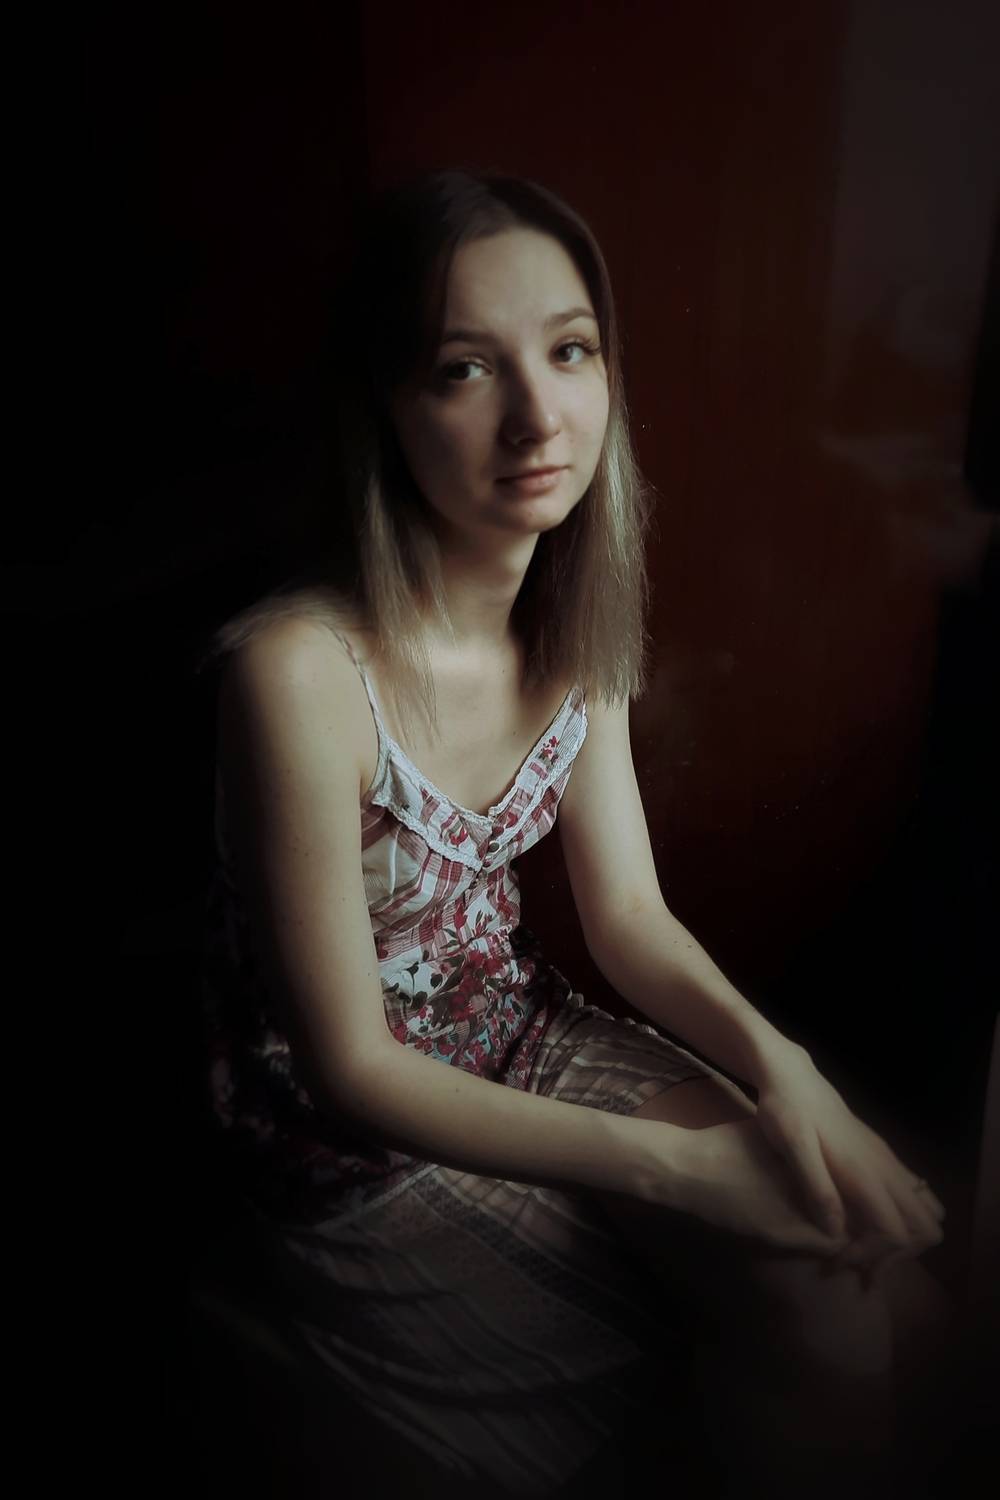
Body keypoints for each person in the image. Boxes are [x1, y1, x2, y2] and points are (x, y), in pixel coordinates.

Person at [196, 168, 956, 1498]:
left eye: (570, 350)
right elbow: (348, 1067)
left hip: (521, 1029)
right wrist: (669, 1169)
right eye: (465, 369)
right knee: (783, 1342)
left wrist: (791, 1076)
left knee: (874, 1299)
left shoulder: (572, 609)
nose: (539, 417)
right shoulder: (298, 673)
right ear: (386, 405)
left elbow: (631, 918)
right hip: (351, 1143)